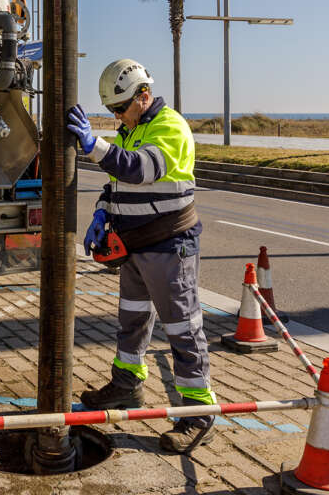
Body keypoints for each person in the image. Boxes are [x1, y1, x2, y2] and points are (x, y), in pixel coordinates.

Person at [65, 59, 217, 453]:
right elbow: (118, 183)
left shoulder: (169, 127)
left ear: (143, 96)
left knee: (183, 328)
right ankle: (127, 385)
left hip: (168, 245)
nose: (117, 116)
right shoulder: (133, 129)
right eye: (112, 111)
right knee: (132, 320)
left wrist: (93, 146)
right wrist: (102, 210)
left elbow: (138, 169)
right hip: (135, 247)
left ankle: (199, 414)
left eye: (120, 109)